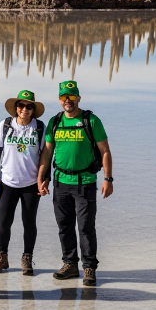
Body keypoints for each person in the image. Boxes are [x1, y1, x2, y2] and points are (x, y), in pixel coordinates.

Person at [38, 81, 113, 287]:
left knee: (86, 227)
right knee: (64, 226)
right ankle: (70, 264)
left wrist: (108, 179)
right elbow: (47, 152)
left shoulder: (91, 120)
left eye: (71, 97)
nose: (67, 101)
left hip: (85, 183)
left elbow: (105, 150)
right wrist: (41, 177)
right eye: (64, 97)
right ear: (59, 100)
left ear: (78, 98)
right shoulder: (55, 122)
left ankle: (89, 267)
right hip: (61, 183)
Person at [0, 90, 47, 275]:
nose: (24, 109)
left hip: (31, 183)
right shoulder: (5, 124)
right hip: (7, 182)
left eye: (29, 106)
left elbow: (46, 156)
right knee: (4, 222)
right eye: (21, 105)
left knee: (29, 222)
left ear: (33, 110)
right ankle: (2, 256)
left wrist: (44, 180)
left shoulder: (40, 127)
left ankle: (27, 258)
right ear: (16, 108)